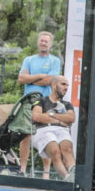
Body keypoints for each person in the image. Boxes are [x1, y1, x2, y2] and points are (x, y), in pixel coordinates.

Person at [16, 31, 62, 175]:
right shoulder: (28, 60)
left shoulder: (55, 61)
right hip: (27, 101)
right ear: (38, 42)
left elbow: (50, 80)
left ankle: (46, 173)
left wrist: (30, 78)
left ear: (50, 44)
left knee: (45, 136)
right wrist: (39, 76)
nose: (43, 43)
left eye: (46, 41)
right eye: (41, 40)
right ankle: (22, 169)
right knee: (25, 136)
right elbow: (21, 79)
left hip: (45, 103)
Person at [31, 76, 76, 180]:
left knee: (67, 149)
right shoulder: (41, 100)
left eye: (67, 85)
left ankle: (73, 175)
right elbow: (37, 116)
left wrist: (50, 114)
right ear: (54, 85)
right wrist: (60, 120)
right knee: (55, 151)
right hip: (43, 131)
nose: (66, 87)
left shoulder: (67, 104)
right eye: (63, 84)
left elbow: (71, 118)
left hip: (62, 131)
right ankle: (67, 178)